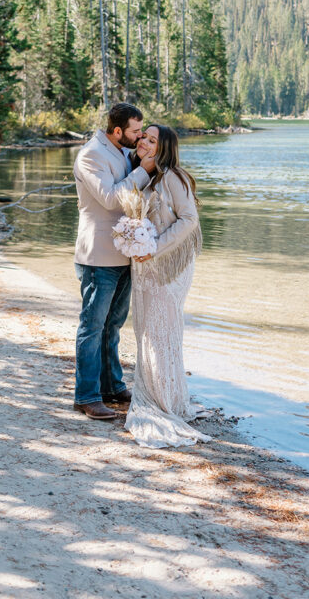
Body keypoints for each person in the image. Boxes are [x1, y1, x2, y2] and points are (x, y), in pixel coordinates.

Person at [125, 124, 211, 448]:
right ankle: (165, 396)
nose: (143, 142)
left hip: (169, 266)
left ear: (165, 147)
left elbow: (190, 220)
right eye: (142, 137)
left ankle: (164, 403)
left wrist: (154, 246)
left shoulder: (174, 177)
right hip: (146, 264)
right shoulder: (144, 175)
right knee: (147, 330)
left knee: (161, 332)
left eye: (151, 139)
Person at [73, 102, 156, 420]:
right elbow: (110, 198)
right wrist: (143, 171)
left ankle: (112, 386)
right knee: (92, 327)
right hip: (97, 255)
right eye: (136, 131)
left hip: (124, 253)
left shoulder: (122, 152)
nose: (139, 137)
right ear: (117, 130)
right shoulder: (91, 155)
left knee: (113, 326)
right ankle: (87, 396)